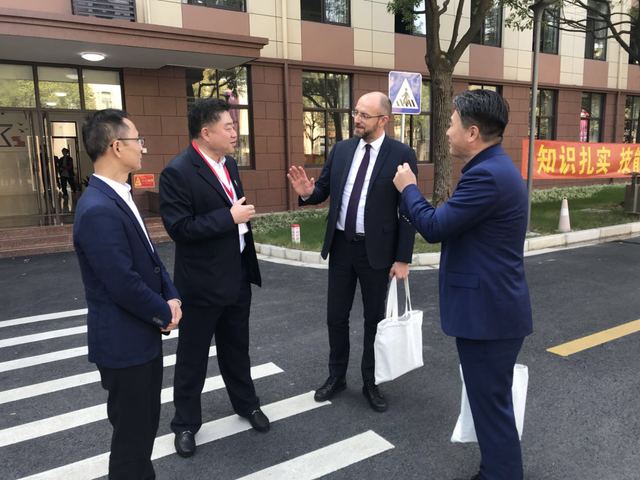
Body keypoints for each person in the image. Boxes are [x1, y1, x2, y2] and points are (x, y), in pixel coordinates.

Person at [392, 89, 533, 480]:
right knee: (490, 405)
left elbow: (435, 226)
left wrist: (408, 188)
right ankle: (495, 470)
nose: (447, 131)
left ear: (472, 133)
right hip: (493, 311)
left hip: (489, 316)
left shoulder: (487, 175)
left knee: (492, 408)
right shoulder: (492, 168)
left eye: (451, 124)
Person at [287, 91, 417, 412]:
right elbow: (323, 189)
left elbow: (407, 209)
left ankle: (371, 381)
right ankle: (337, 376)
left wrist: (403, 258)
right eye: (356, 113)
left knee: (374, 320)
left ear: (384, 120)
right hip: (342, 247)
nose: (356, 119)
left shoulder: (401, 154)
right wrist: (307, 193)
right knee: (336, 316)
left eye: (364, 115)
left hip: (377, 252)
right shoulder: (342, 150)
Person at [73, 109, 182, 479]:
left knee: (142, 430)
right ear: (117, 146)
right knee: (132, 441)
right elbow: (122, 283)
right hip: (124, 345)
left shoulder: (118, 195)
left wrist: (172, 296)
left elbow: (150, 259)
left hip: (140, 337)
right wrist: (163, 311)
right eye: (138, 140)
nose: (143, 148)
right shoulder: (97, 208)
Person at [159, 98, 268, 459]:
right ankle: (185, 424)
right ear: (206, 133)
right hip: (202, 283)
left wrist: (234, 220)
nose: (235, 132)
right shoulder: (177, 172)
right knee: (192, 357)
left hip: (236, 275)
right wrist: (229, 218)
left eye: (235, 126)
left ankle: (247, 404)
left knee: (237, 348)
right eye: (228, 126)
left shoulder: (229, 164)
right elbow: (180, 228)